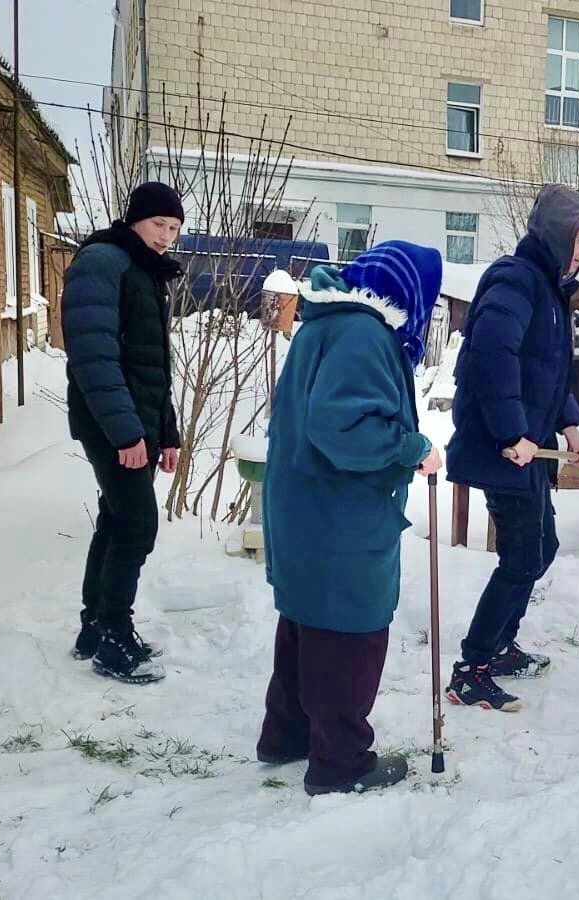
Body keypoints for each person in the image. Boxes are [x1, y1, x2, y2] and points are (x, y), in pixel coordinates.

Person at [254, 242, 444, 795]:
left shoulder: (328, 324)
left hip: (307, 506)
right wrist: (411, 447)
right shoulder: (363, 334)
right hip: (339, 514)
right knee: (351, 635)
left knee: (307, 620)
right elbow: (343, 428)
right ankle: (341, 764)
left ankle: (286, 734)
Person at [444, 184, 579, 712]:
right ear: (555, 234)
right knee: (520, 558)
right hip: (503, 446)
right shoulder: (516, 279)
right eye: (578, 240)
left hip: (529, 446)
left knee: (543, 547)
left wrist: (571, 427)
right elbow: (491, 354)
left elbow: (548, 375)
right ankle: (472, 669)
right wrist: (511, 433)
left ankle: (501, 646)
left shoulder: (550, 289)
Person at [62, 181, 186, 685]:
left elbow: (151, 364)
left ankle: (94, 628)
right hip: (114, 423)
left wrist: (168, 431)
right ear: (134, 219)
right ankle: (114, 638)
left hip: (137, 422)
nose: (166, 237)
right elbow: (95, 358)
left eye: (175, 228)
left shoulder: (142, 271)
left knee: (117, 520)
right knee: (137, 525)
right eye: (159, 224)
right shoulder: (103, 262)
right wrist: (125, 434)